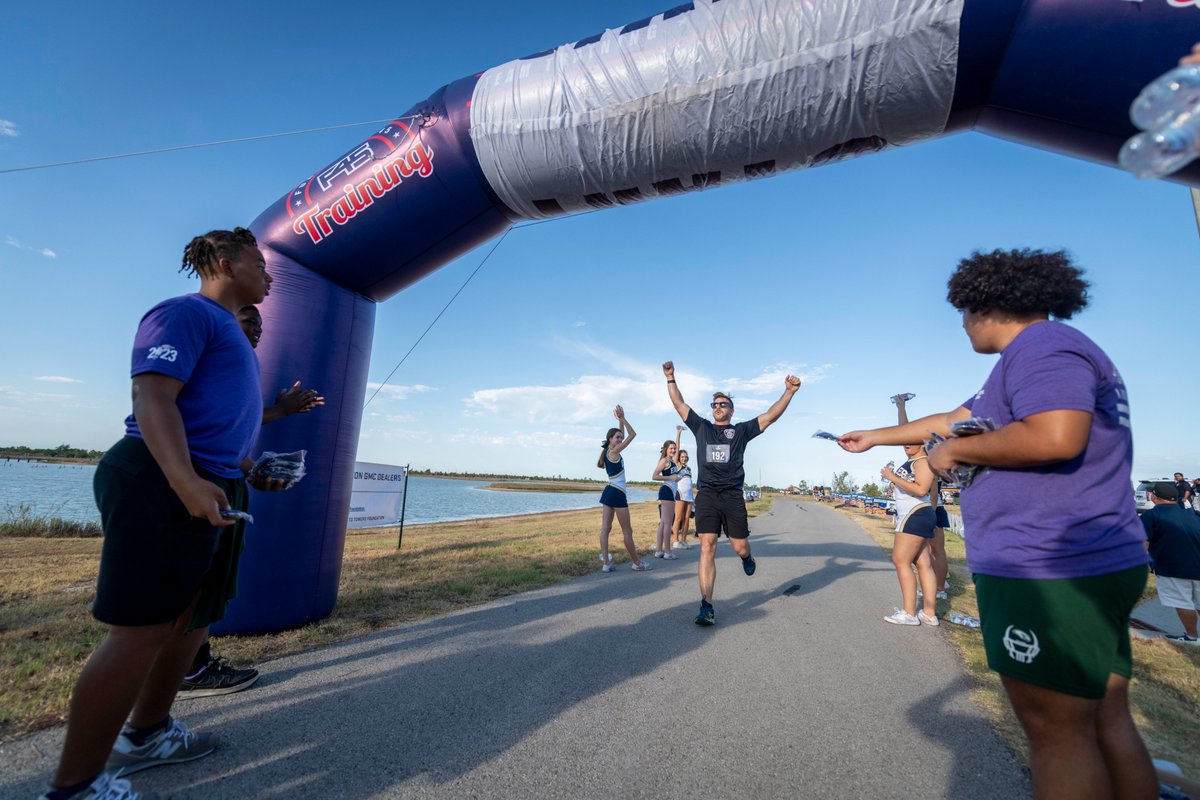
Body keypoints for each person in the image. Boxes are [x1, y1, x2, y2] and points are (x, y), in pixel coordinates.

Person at [838, 248, 1155, 800]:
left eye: (961, 312)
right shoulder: (1026, 359)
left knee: (1056, 732)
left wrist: (953, 456)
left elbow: (1057, 435)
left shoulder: (1043, 346)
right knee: (1104, 717)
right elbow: (948, 419)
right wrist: (872, 435)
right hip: (1088, 557)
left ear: (984, 305)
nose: (961, 326)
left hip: (1047, 564)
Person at [41, 228, 293, 800]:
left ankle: (148, 734)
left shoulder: (233, 331)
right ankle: (74, 788)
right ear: (226, 264)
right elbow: (152, 397)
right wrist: (185, 482)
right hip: (158, 478)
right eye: (259, 262)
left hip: (214, 482)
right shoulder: (186, 313)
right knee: (140, 632)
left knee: (192, 619)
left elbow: (216, 420)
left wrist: (248, 472)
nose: (269, 273)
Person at [177, 305, 324, 699]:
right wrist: (190, 478)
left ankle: (194, 666)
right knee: (190, 583)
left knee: (209, 582)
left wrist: (253, 467)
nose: (258, 328)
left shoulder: (243, 366)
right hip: (198, 481)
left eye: (260, 322)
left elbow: (229, 429)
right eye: (249, 321)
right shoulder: (212, 350)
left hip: (221, 477)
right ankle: (178, 678)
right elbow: (188, 421)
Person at [663, 360, 801, 626]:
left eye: (722, 404)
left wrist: (789, 392)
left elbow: (770, 416)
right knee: (707, 546)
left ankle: (747, 556)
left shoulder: (740, 431)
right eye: (714, 404)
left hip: (733, 496)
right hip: (706, 495)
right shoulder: (701, 427)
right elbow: (679, 404)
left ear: (731, 409)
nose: (717, 408)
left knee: (739, 546)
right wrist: (670, 378)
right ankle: (706, 605)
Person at [879, 443, 941, 626]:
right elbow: (911, 485)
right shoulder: (914, 460)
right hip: (917, 513)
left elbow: (922, 489)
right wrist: (894, 481)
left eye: (911, 440)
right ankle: (929, 613)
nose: (906, 444)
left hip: (914, 514)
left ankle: (909, 613)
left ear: (922, 443)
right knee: (923, 563)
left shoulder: (922, 461)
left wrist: (893, 477)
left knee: (900, 560)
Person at [896, 393, 950, 601]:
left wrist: (933, 514)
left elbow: (933, 492)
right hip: (926, 508)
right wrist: (900, 407)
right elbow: (904, 432)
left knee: (936, 550)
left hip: (930, 508)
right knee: (926, 556)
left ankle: (940, 589)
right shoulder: (918, 458)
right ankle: (935, 591)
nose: (907, 443)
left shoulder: (929, 460)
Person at [1140, 482, 1200, 644]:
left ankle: (1192, 637)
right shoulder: (1190, 512)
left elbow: (1143, 543)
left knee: (1183, 602)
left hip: (1174, 567)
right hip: (1197, 563)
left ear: (1154, 496)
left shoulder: (1151, 516)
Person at [596, 405, 653, 573]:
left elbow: (622, 434)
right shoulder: (614, 451)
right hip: (617, 493)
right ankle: (637, 563)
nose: (620, 439)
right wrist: (623, 418)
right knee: (627, 531)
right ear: (610, 440)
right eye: (617, 438)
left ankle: (606, 562)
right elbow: (633, 434)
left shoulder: (609, 451)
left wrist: (620, 422)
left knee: (605, 528)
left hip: (609, 491)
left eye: (621, 437)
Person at [651, 428, 683, 559]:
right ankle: (668, 552)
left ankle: (659, 551)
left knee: (663, 522)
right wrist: (671, 478)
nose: (674, 450)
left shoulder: (672, 461)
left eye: (674, 449)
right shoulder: (664, 461)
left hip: (670, 491)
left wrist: (678, 434)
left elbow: (678, 446)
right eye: (671, 449)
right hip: (667, 491)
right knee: (667, 523)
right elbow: (654, 476)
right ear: (665, 449)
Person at [671, 447, 694, 549]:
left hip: (689, 495)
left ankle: (683, 541)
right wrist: (678, 434)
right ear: (679, 458)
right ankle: (676, 541)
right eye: (682, 457)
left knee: (686, 519)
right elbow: (676, 452)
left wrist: (693, 498)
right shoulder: (677, 466)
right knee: (678, 518)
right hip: (680, 494)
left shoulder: (688, 469)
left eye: (686, 457)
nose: (684, 458)